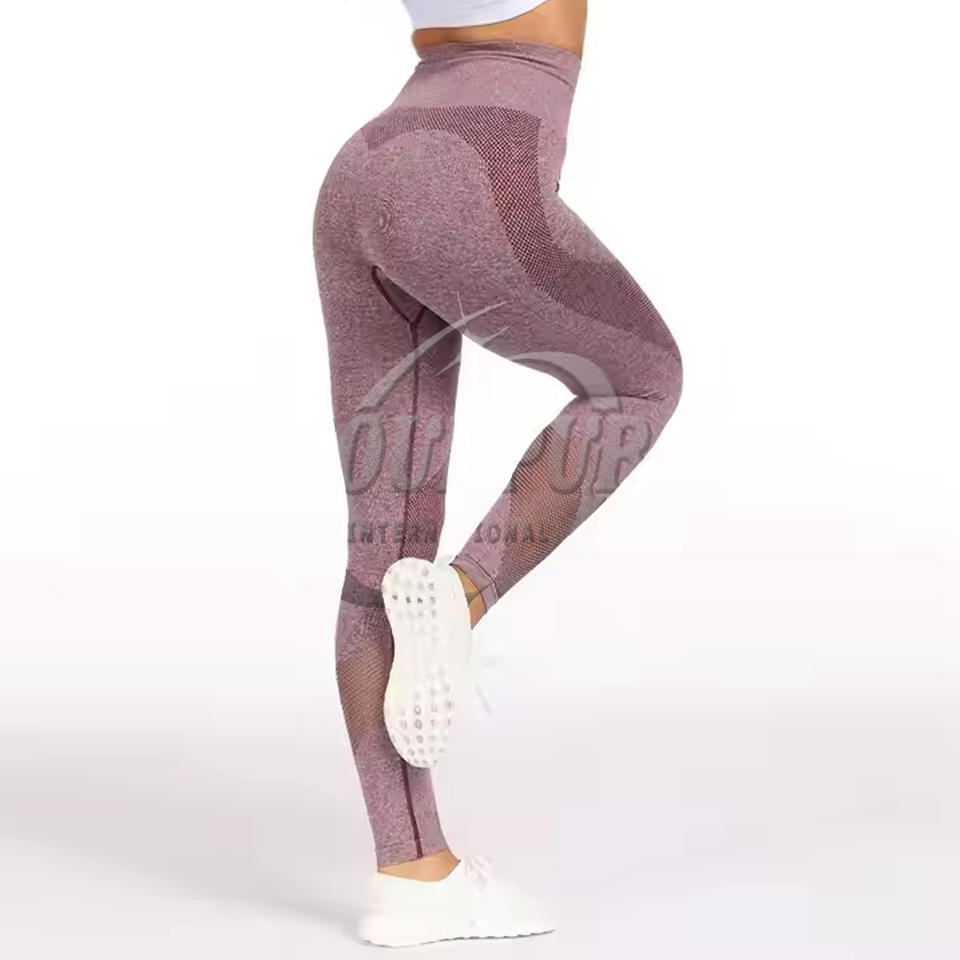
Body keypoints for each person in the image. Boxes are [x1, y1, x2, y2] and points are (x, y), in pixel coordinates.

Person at [312, 0, 683, 946]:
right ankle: (462, 598)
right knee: (640, 381)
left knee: (382, 557)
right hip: (475, 162)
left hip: (366, 170)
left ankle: (412, 874)